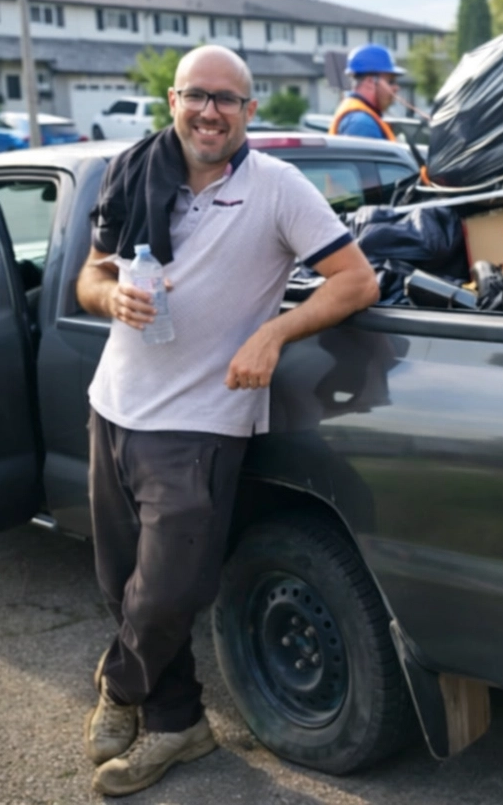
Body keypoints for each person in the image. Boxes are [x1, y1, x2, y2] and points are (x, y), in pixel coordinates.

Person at [76, 44, 378, 797]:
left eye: (228, 100)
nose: (210, 111)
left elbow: (356, 280)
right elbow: (90, 274)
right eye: (197, 96)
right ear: (173, 100)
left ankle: (121, 687)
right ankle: (178, 725)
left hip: (201, 419)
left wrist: (273, 333)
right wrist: (108, 297)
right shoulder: (133, 170)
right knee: (124, 586)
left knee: (169, 590)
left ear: (249, 112)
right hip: (112, 404)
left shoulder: (277, 188)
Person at [329, 43, 405, 140]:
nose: (396, 88)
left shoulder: (362, 117)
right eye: (390, 81)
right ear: (370, 82)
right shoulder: (362, 124)